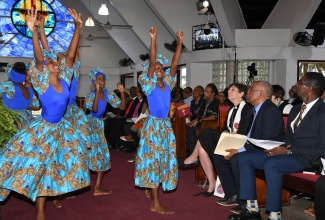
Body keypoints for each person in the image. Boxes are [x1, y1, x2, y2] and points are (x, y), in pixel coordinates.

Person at [0, 8, 90, 220]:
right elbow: (40, 57)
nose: (56, 64)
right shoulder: (41, 82)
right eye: (52, 63)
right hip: (44, 131)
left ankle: (53, 196)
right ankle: (40, 213)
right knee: (39, 169)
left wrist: (77, 27)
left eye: (56, 63)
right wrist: (34, 31)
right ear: (45, 68)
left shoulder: (64, 77)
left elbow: (70, 54)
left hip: (62, 129)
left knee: (57, 167)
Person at [229, 73, 325, 220]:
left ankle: (274, 215)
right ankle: (252, 209)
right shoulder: (296, 109)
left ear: (310, 88)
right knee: (245, 157)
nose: (297, 84)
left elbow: (321, 147)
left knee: (272, 164)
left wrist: (289, 149)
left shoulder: (322, 111)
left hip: (309, 158)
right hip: (290, 153)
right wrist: (275, 147)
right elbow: (287, 138)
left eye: (301, 82)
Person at [135, 26, 183, 214]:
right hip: (153, 126)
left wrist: (179, 42)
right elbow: (152, 61)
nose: (159, 68)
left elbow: (175, 61)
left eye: (161, 67)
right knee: (154, 163)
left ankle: (151, 188)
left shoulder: (168, 84)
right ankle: (155, 204)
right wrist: (153, 40)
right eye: (156, 68)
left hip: (165, 127)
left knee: (163, 161)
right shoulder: (148, 85)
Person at [179, 83, 252, 198]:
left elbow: (244, 131)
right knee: (202, 149)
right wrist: (226, 134)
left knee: (206, 132)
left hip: (239, 142)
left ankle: (193, 157)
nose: (229, 91)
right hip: (229, 139)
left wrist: (230, 135)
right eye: (229, 88)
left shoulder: (247, 109)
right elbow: (225, 129)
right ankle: (211, 185)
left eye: (233, 89)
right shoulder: (231, 109)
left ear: (241, 94)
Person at [85, 67, 126, 196]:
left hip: (99, 125)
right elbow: (95, 110)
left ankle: (97, 188)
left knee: (102, 156)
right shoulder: (90, 95)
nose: (101, 81)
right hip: (89, 125)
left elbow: (122, 107)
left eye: (103, 79)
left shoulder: (108, 94)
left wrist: (122, 92)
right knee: (85, 155)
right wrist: (97, 92)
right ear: (94, 81)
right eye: (98, 79)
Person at [186, 83, 219, 154]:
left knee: (191, 131)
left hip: (208, 124)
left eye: (207, 91)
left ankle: (194, 154)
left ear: (213, 93)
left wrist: (200, 120)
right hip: (201, 122)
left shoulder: (216, 103)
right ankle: (188, 151)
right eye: (205, 91)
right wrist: (191, 122)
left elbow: (213, 117)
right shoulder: (205, 103)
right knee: (186, 127)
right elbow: (199, 116)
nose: (205, 93)